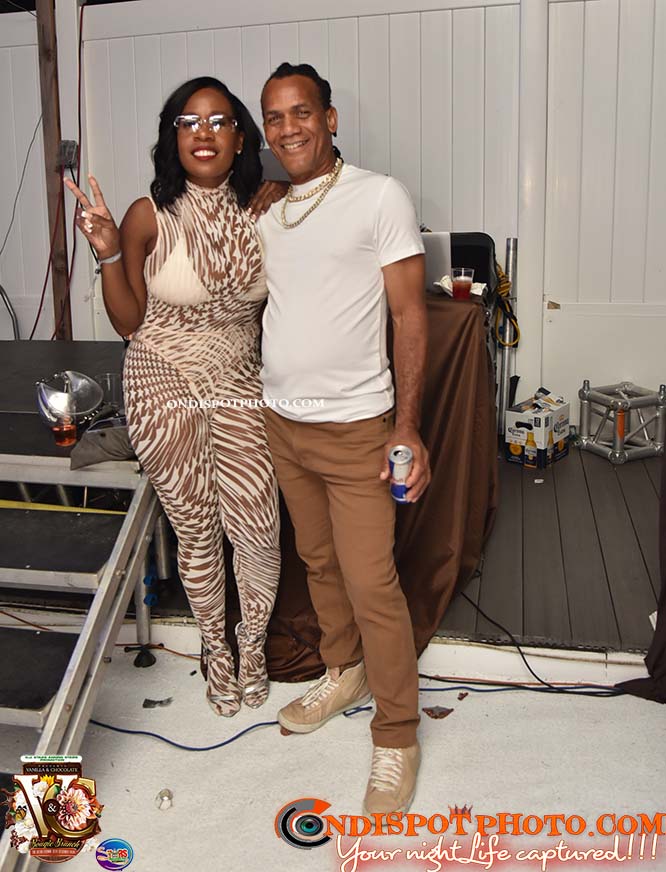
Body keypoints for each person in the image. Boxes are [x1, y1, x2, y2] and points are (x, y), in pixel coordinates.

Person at [65, 77, 283, 718]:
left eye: (219, 121)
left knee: (258, 523)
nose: (203, 133)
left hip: (239, 375)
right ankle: (216, 651)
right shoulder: (147, 214)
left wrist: (282, 185)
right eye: (189, 122)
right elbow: (130, 322)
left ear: (240, 137)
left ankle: (252, 647)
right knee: (198, 525)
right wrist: (109, 253)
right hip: (160, 372)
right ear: (173, 137)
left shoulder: (268, 208)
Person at [258, 62, 431, 814]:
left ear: (330, 119)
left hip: (358, 424)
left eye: (302, 112)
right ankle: (343, 669)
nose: (288, 127)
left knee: (370, 581)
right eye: (274, 117)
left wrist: (408, 427)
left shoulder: (379, 194)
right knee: (319, 563)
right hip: (282, 421)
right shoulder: (270, 212)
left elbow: (410, 314)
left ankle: (397, 735)